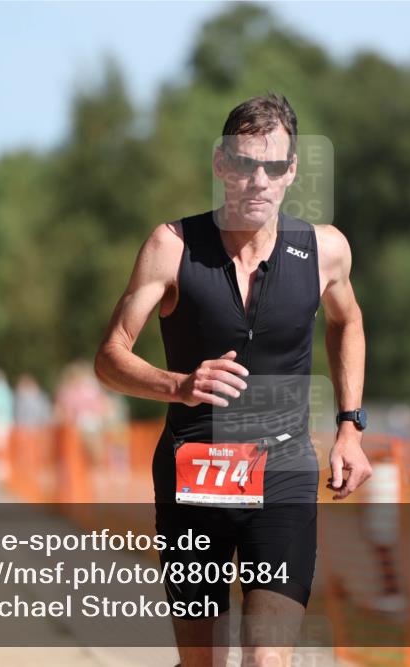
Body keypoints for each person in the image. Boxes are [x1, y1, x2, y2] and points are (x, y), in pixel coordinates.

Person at [94, 93, 370, 667]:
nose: (258, 181)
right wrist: (178, 385)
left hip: (283, 473)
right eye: (245, 164)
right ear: (221, 163)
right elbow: (110, 357)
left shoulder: (324, 250)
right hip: (194, 474)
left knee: (268, 659)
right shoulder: (172, 247)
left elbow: (347, 322)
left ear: (292, 170)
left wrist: (350, 426)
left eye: (273, 166)